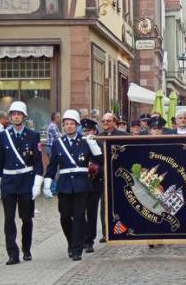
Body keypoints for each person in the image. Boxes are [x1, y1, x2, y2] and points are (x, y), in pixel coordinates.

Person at [43, 109, 103, 261]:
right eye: (66, 124)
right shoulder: (58, 143)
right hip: (64, 185)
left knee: (78, 217)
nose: (69, 126)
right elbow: (52, 165)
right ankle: (71, 242)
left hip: (82, 184)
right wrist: (47, 181)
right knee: (64, 217)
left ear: (77, 126)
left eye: (72, 124)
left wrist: (93, 145)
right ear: (63, 126)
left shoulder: (84, 141)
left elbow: (100, 160)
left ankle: (77, 249)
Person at [0, 101, 43, 265]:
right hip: (8, 182)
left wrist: (37, 183)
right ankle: (12, 254)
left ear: (24, 116)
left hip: (26, 182)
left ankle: (26, 249)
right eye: (13, 114)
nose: (16, 116)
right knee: (9, 219)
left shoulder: (33, 135)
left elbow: (37, 162)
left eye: (19, 114)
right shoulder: (3, 135)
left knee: (26, 218)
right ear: (10, 117)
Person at [98, 112, 129, 243]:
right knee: (105, 204)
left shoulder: (125, 136)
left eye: (108, 121)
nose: (105, 123)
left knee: (124, 203)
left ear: (114, 122)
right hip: (104, 176)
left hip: (120, 175)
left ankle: (127, 230)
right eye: (103, 121)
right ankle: (106, 233)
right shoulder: (98, 138)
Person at [80, 118, 103, 253]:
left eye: (88, 130)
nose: (86, 133)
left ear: (94, 131)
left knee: (92, 212)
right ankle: (81, 237)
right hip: (81, 183)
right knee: (79, 212)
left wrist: (95, 169)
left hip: (95, 183)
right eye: (84, 131)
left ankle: (89, 240)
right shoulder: (79, 143)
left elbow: (102, 161)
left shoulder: (99, 144)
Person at [45, 112, 62, 194]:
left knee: (55, 167)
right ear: (55, 118)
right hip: (51, 148)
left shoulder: (54, 126)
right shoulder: (52, 126)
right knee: (54, 167)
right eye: (59, 117)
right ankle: (53, 188)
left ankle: (54, 187)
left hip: (51, 148)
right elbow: (59, 137)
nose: (60, 118)